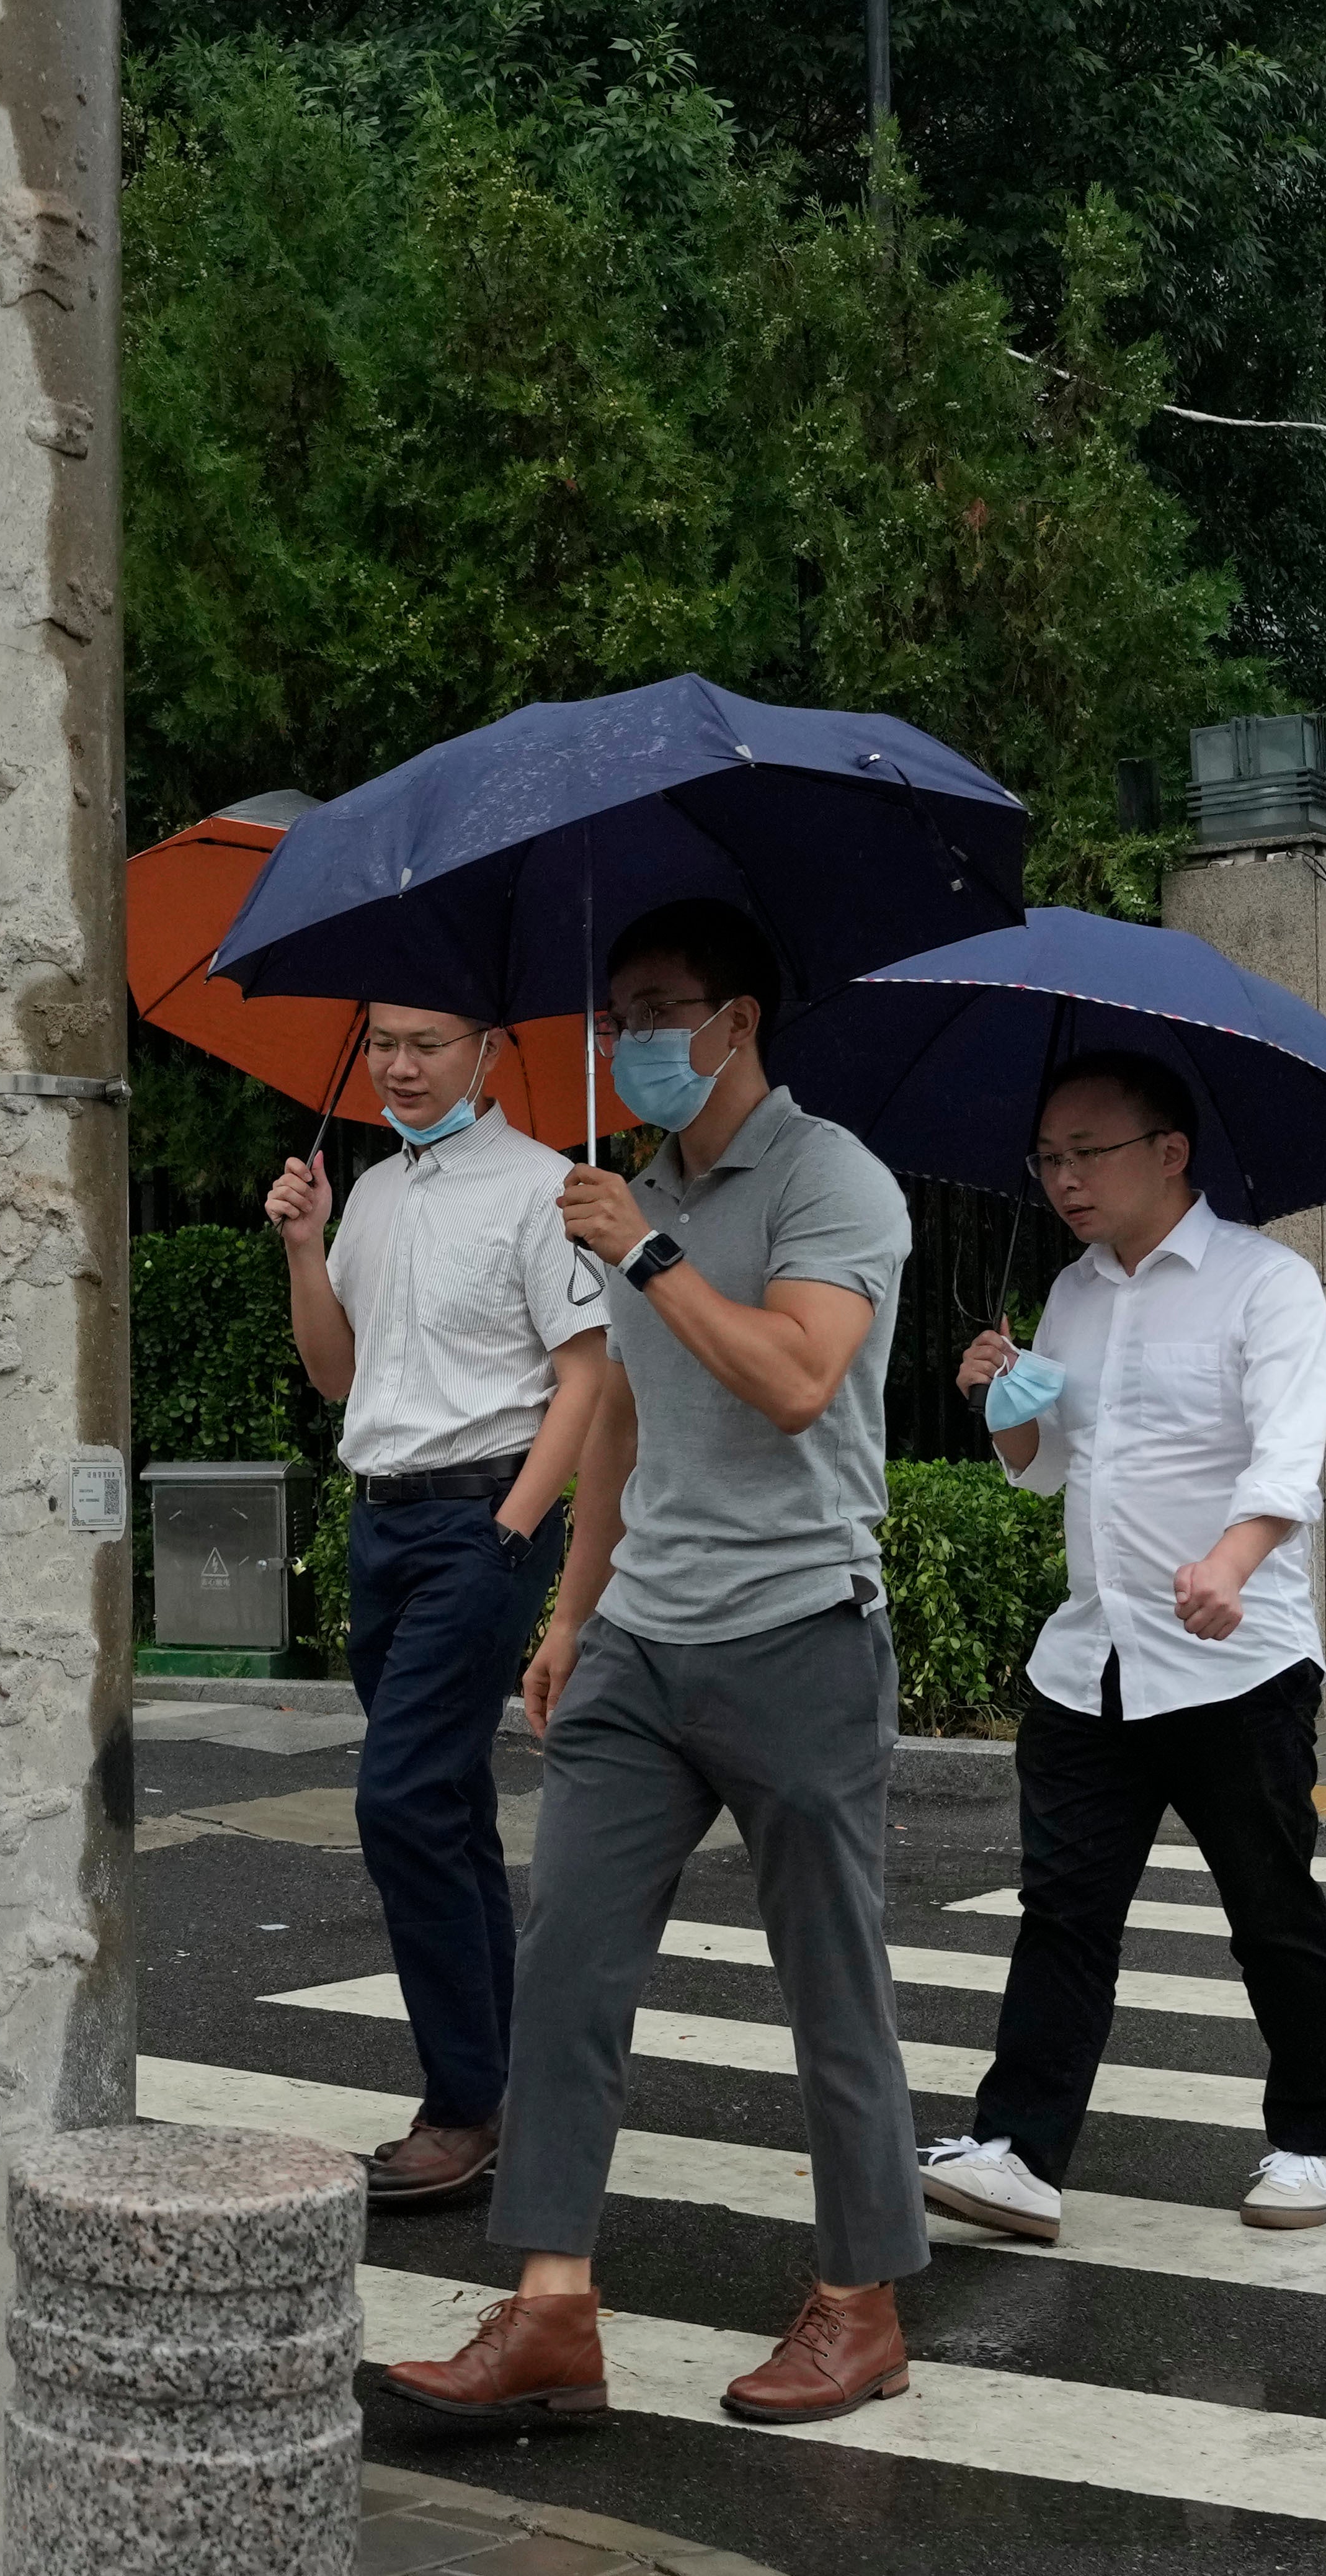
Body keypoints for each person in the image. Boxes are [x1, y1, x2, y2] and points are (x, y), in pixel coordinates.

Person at [375, 898, 928, 2430]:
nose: (629, 1038)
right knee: (564, 1965)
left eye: (660, 1007)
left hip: (799, 1627)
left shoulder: (829, 1178)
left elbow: (794, 1376)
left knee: (830, 1981)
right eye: (615, 1012)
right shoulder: (639, 1185)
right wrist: (571, 1615)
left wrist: (646, 1246)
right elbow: (617, 1409)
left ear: (737, 1020)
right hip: (640, 1639)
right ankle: (550, 2307)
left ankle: (860, 2303)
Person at [920, 1052, 1326, 2242]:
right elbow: (1047, 1471)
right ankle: (1019, 2152)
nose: (1063, 1179)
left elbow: (1289, 1454)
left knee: (1269, 1910)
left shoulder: (1265, 1284)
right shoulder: (1069, 1294)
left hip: (1237, 1661)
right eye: (1047, 1159)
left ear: (1170, 1152)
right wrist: (1000, 1405)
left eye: (1088, 1154)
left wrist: (1230, 1560)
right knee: (1063, 1911)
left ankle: (1313, 2142)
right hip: (1092, 1660)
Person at [262, 1007, 611, 2207]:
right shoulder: (367, 1192)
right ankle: (510, 2083)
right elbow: (337, 1374)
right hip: (380, 1522)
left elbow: (585, 1376)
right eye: (381, 1043)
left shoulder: (539, 1189)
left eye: (427, 1043)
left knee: (400, 1799)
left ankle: (463, 2103)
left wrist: (511, 1530)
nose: (400, 1066)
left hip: (479, 1520)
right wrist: (306, 1244)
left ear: (487, 1050)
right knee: (447, 1803)